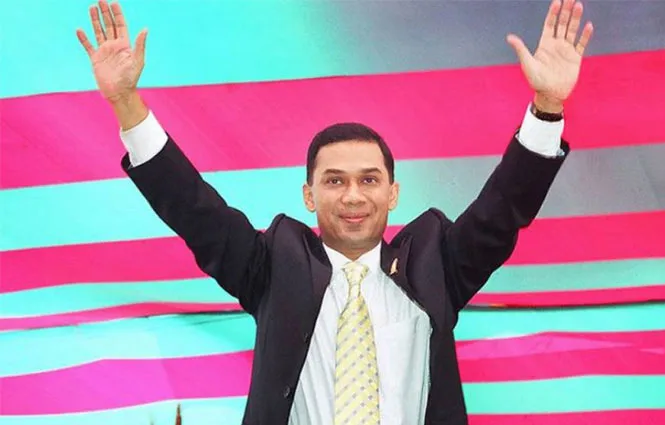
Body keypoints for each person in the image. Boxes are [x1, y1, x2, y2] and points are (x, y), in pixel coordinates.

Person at [76, 1, 593, 424]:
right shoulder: (271, 266)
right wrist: (126, 104)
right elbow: (194, 209)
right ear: (309, 195)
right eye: (335, 181)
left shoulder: (437, 264)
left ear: (392, 193)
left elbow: (503, 209)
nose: (352, 196)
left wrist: (548, 104)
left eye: (369, 180)